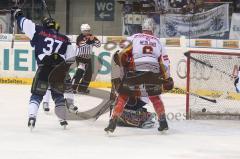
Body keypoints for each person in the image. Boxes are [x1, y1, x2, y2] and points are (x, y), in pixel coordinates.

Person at [11, 7, 76, 129]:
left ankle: (32, 117)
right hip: (59, 70)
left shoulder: (38, 30)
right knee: (58, 96)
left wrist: (17, 13)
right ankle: (62, 119)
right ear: (56, 25)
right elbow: (71, 58)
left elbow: (24, 23)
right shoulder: (65, 39)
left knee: (36, 95)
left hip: (44, 69)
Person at [105, 18, 173, 133]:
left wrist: (126, 63)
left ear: (143, 28)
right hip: (153, 70)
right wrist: (167, 78)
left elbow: (120, 52)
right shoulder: (158, 41)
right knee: (155, 97)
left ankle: (112, 123)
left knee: (123, 96)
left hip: (136, 69)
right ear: (153, 29)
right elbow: (165, 62)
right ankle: (163, 122)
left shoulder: (134, 37)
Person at [110, 50, 156, 128]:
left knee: (120, 106)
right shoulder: (120, 64)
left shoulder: (133, 65)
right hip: (139, 95)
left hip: (139, 96)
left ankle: (140, 115)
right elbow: (115, 83)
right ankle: (138, 112)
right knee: (118, 105)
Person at [72, 24, 101, 94]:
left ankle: (82, 89)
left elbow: (99, 44)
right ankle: (73, 88)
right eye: (85, 31)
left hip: (88, 58)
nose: (87, 32)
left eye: (88, 30)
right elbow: (80, 44)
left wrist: (93, 40)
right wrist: (88, 41)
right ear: (82, 30)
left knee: (89, 73)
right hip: (80, 57)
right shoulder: (80, 37)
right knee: (80, 71)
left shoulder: (92, 37)